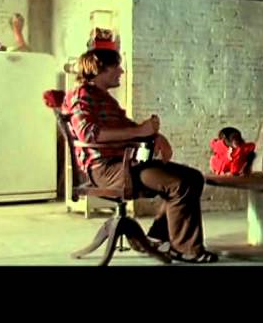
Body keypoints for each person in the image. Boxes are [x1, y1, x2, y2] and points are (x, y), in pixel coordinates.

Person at [62, 48, 218, 263]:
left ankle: (158, 237)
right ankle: (187, 250)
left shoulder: (105, 98)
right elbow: (89, 133)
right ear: (99, 69)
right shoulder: (81, 95)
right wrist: (139, 131)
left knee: (193, 177)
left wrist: (154, 135)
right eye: (116, 66)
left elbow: (130, 128)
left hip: (125, 165)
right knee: (178, 184)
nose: (121, 71)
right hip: (105, 170)